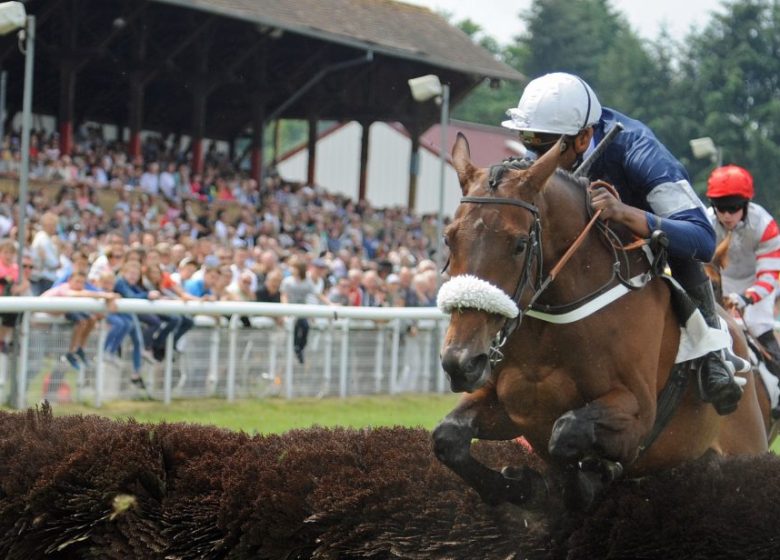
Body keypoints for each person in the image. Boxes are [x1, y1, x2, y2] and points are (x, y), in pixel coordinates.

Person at [502, 71, 743, 415]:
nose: (534, 157)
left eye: (546, 147)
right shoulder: (549, 144)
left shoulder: (640, 152)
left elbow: (702, 238)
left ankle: (712, 353)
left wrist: (626, 213)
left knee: (684, 251)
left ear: (583, 137)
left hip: (645, 246)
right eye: (528, 141)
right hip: (584, 251)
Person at [705, 165, 780, 411]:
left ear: (746, 204)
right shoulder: (704, 221)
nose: (726, 215)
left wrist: (747, 298)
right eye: (720, 207)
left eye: (734, 208)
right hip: (716, 283)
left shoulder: (765, 225)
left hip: (757, 285)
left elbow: (770, 273)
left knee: (759, 326)